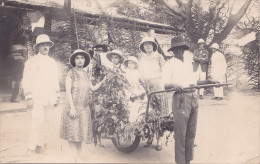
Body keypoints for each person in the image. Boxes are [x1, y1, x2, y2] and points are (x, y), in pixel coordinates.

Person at [60, 49, 106, 161]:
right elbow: (68, 92)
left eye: (82, 58)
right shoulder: (70, 73)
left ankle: (79, 153)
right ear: (74, 60)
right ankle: (73, 155)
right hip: (73, 107)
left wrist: (104, 80)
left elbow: (93, 88)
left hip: (84, 107)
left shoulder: (86, 74)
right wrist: (72, 108)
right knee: (73, 131)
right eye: (77, 58)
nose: (80, 60)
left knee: (80, 131)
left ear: (85, 60)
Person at [162, 36, 198, 164]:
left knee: (191, 133)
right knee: (181, 134)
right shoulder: (169, 64)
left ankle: (187, 161)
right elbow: (164, 84)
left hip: (193, 97)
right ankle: (180, 162)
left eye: (181, 49)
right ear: (172, 51)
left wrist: (209, 81)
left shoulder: (188, 62)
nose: (179, 51)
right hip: (180, 99)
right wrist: (173, 85)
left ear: (184, 49)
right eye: (176, 49)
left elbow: (194, 81)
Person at [22, 34, 60, 154]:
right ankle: (31, 147)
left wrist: (57, 96)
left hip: (50, 97)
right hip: (37, 96)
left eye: (47, 45)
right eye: (42, 45)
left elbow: (55, 79)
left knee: (47, 122)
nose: (45, 47)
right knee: (36, 120)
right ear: (37, 47)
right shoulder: (31, 62)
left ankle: (40, 145)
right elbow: (26, 80)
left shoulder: (52, 62)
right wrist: (28, 98)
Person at [138, 36, 167, 151]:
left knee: (160, 114)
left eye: (150, 43)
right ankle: (149, 136)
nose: (148, 46)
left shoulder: (159, 57)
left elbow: (164, 72)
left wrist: (151, 77)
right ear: (143, 47)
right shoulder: (142, 58)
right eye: (145, 44)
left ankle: (159, 139)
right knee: (149, 113)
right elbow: (139, 72)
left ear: (153, 45)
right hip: (146, 88)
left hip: (158, 87)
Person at [124, 56, 146, 122]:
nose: (130, 65)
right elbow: (125, 84)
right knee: (131, 106)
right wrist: (130, 93)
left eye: (132, 63)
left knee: (140, 104)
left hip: (136, 88)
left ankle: (139, 120)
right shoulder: (125, 72)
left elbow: (139, 83)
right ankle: (132, 121)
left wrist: (142, 91)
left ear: (135, 65)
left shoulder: (137, 72)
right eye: (129, 63)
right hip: (128, 89)